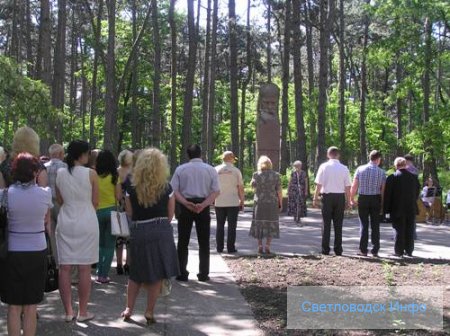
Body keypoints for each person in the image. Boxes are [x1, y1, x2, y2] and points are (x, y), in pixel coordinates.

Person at [121, 148, 179, 324]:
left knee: (136, 273)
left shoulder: (131, 188)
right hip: (161, 230)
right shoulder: (167, 187)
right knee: (156, 274)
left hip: (140, 230)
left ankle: (128, 308)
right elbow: (170, 216)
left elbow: (129, 212)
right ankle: (149, 311)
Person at [0, 153, 52, 336]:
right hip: (37, 251)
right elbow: (46, 220)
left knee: (13, 306)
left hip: (12, 252)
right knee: (31, 306)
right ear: (35, 172)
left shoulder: (4, 195)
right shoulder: (45, 194)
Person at [56, 140, 99, 322]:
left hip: (66, 220)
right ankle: (82, 312)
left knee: (64, 268)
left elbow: (59, 200)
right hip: (86, 220)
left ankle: (68, 312)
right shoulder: (91, 174)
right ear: (82, 155)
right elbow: (95, 202)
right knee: (84, 269)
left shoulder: (60, 173)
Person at [171, 144, 220, 282]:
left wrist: (186, 203)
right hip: (203, 206)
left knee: (183, 241)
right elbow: (216, 191)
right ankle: (204, 274)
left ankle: (181, 273)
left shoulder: (181, 169)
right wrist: (204, 204)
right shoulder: (210, 170)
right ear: (201, 154)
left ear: (188, 155)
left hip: (185, 206)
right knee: (204, 242)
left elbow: (174, 190)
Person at [313, 146, 351, 256]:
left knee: (326, 224)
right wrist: (348, 201)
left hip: (327, 197)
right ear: (338, 155)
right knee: (338, 224)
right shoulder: (344, 168)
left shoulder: (323, 167)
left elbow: (319, 184)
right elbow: (347, 186)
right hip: (340, 197)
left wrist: (315, 198)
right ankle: (338, 249)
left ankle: (325, 249)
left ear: (328, 155)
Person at [350, 150, 386, 257]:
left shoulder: (360, 169)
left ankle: (363, 250)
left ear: (370, 157)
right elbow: (383, 190)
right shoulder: (381, 172)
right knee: (375, 225)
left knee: (364, 224)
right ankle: (375, 250)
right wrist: (382, 203)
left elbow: (354, 185)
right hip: (376, 199)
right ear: (378, 159)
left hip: (363, 198)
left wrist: (351, 198)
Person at [383, 157, 420, 257]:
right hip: (411, 207)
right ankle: (409, 250)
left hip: (397, 208)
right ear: (405, 164)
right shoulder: (414, 177)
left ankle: (399, 251)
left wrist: (385, 210)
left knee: (398, 229)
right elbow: (417, 192)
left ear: (396, 165)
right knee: (409, 229)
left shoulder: (392, 177)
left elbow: (388, 195)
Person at [95, 150, 121, 283]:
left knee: (98, 244)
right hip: (111, 212)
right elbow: (119, 196)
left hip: (97, 212)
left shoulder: (93, 175)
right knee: (109, 245)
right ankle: (104, 275)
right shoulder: (115, 176)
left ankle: (98, 272)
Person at [249, 155, 282, 255]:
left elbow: (252, 187)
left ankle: (259, 245)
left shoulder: (256, 175)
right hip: (272, 202)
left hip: (259, 202)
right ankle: (267, 245)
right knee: (271, 223)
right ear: (270, 164)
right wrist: (280, 203)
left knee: (259, 223)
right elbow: (279, 191)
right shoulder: (276, 175)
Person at [214, 151, 244, 253]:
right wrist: (242, 201)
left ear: (223, 158)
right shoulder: (236, 171)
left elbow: (212, 187)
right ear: (231, 159)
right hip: (233, 202)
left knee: (220, 225)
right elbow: (240, 188)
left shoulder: (216, 170)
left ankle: (219, 247)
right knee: (232, 226)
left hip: (219, 201)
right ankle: (230, 248)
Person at [44, 144, 67, 266]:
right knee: (63, 232)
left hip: (47, 203)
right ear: (60, 154)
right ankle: (65, 260)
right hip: (60, 202)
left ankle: (56, 262)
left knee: (51, 233)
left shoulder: (44, 167)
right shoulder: (65, 167)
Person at [116, 149, 133, 275]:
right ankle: (128, 263)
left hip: (118, 206)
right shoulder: (132, 174)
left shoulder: (116, 172)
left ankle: (119, 264)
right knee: (129, 238)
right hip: (129, 207)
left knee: (119, 237)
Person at [287, 160, 308, 224]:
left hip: (301, 190)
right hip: (293, 190)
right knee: (294, 203)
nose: (298, 167)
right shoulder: (293, 173)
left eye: (299, 166)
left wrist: (306, 191)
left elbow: (306, 183)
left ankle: (299, 216)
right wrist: (288, 190)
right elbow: (290, 182)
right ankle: (295, 216)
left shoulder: (304, 173)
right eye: (296, 166)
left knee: (300, 203)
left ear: (301, 166)